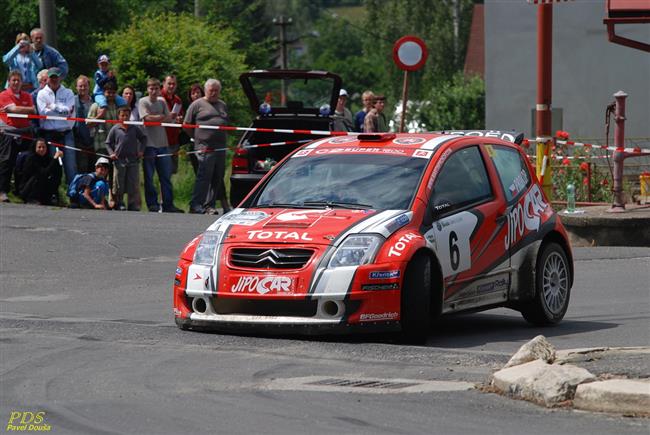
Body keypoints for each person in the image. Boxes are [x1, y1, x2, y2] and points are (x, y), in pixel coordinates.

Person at [183, 79, 229, 214]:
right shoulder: (197, 104)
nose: (213, 93)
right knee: (204, 176)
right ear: (206, 90)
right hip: (204, 147)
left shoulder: (222, 105)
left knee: (217, 177)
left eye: (216, 91)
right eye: (211, 90)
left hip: (220, 147)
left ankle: (210, 205)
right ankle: (196, 204)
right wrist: (198, 137)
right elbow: (186, 125)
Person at [138, 77, 183, 213]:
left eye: (156, 88)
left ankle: (168, 204)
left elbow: (168, 117)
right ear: (147, 89)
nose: (153, 91)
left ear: (159, 89)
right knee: (149, 177)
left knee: (166, 176)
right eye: (151, 88)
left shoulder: (162, 101)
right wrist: (162, 116)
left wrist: (171, 116)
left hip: (163, 144)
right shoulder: (143, 101)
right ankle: (152, 204)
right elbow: (146, 118)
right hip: (149, 145)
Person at [0, 70, 36, 202]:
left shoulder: (27, 95)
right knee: (7, 161)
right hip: (9, 131)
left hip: (26, 131)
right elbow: (13, 110)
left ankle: (23, 191)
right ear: (9, 82)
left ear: (21, 82)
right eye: (13, 80)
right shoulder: (4, 95)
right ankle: (2, 191)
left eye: (18, 80)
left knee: (28, 160)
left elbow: (32, 110)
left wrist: (18, 109)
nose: (16, 82)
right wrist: (25, 109)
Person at [36, 67, 76, 184]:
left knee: (71, 165)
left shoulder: (68, 92)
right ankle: (54, 194)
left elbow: (68, 111)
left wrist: (53, 107)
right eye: (52, 77)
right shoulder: (41, 94)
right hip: (50, 134)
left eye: (56, 77)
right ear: (48, 78)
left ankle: (72, 196)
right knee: (53, 164)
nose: (54, 79)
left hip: (67, 133)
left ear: (60, 78)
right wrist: (61, 110)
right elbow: (43, 112)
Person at [105, 106, 146, 211]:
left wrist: (141, 151)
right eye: (122, 115)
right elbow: (108, 143)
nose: (124, 117)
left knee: (132, 182)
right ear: (118, 116)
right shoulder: (115, 128)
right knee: (119, 182)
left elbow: (143, 138)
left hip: (133, 160)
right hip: (119, 160)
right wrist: (111, 153)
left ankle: (132, 203)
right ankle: (119, 202)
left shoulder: (134, 128)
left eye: (127, 115)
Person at [18, 137, 62, 205]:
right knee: (38, 177)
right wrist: (54, 159)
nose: (42, 149)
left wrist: (57, 162)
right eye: (39, 147)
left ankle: (51, 197)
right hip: (28, 189)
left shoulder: (48, 158)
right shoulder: (31, 159)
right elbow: (43, 173)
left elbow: (57, 174)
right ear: (35, 148)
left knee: (54, 177)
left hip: (42, 189)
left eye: (44, 147)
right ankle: (31, 199)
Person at [161, 75, 183, 174]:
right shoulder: (159, 98)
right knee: (163, 172)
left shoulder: (178, 100)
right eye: (169, 83)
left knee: (172, 171)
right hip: (162, 141)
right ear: (164, 84)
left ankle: (169, 190)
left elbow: (181, 115)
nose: (171, 86)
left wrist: (180, 119)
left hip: (174, 140)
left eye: (173, 84)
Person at [73, 75, 95, 173]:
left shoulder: (95, 101)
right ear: (76, 87)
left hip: (94, 139)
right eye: (80, 86)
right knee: (82, 168)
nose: (83, 88)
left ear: (89, 86)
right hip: (79, 140)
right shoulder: (73, 101)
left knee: (94, 168)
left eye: (85, 86)